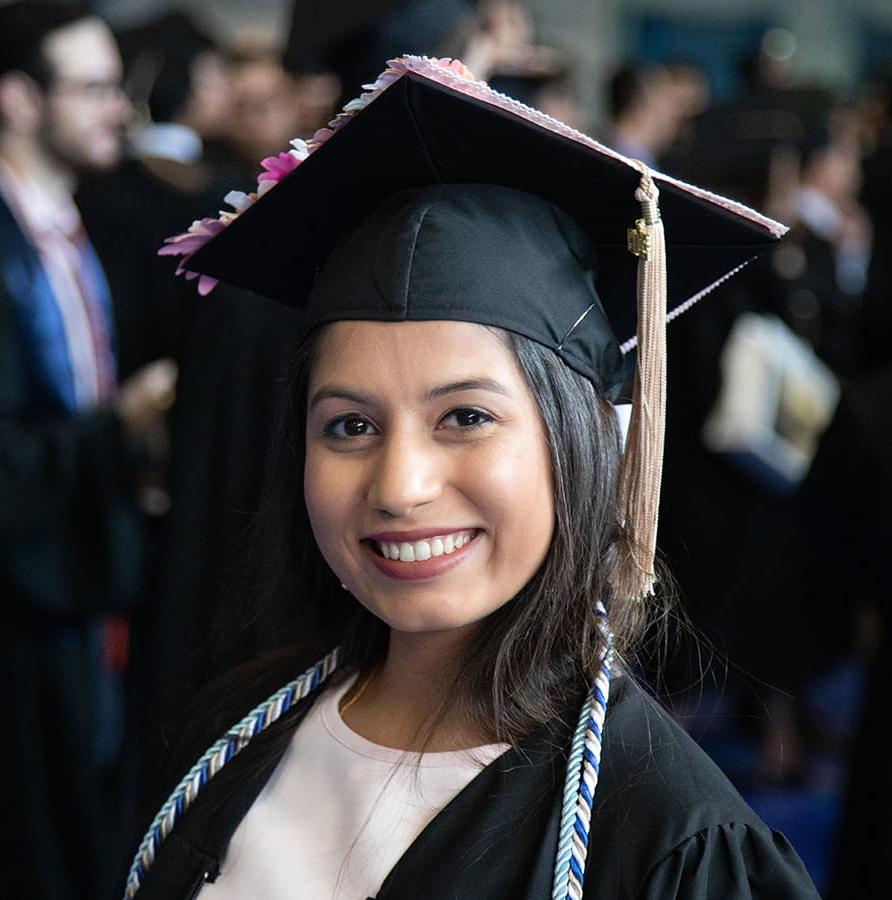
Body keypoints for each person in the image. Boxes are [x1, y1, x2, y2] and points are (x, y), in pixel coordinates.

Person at [125, 56, 819, 899]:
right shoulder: (228, 738)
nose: (400, 486)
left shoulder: (669, 842)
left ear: (593, 436)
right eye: (350, 425)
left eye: (466, 417)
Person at [0, 4, 175, 897]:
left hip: (89, 595)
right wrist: (122, 426)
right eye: (95, 89)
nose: (121, 109)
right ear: (19, 100)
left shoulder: (75, 228)